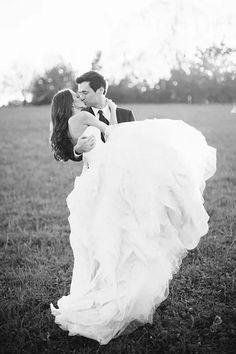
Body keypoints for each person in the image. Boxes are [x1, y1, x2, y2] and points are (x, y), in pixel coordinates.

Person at [49, 88, 216, 345]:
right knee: (121, 231)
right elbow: (109, 132)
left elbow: (80, 147)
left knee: (101, 238)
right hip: (104, 177)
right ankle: (115, 291)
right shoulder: (81, 118)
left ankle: (103, 285)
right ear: (69, 103)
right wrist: (130, 129)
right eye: (76, 97)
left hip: (92, 178)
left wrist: (81, 147)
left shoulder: (69, 124)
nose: (80, 99)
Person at [73, 71, 135, 162]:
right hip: (94, 173)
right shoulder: (81, 116)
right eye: (80, 93)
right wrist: (77, 151)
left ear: (100, 90)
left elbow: (134, 148)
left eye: (85, 93)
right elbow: (74, 154)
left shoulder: (126, 115)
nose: (81, 97)